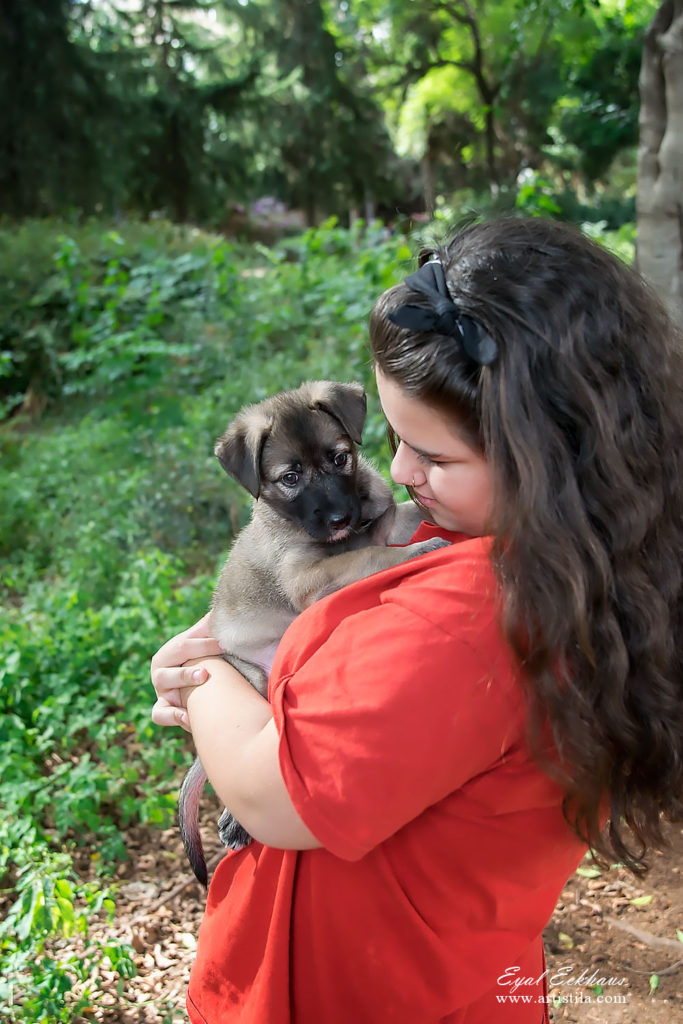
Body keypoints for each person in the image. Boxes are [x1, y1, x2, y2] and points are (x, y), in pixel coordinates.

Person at [150, 216, 683, 1023]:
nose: (397, 476)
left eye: (432, 459)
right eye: (393, 443)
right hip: (456, 970)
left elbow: (269, 798)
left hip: (360, 985)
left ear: (550, 459)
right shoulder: (567, 568)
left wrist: (205, 674)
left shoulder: (462, 617)